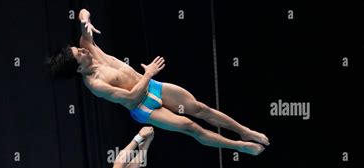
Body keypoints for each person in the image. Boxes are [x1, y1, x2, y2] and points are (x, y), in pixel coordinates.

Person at [47, 9, 270, 156]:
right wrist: (148, 74)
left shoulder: (90, 47)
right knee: (191, 127)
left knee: (201, 108)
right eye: (80, 53)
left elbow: (82, 11)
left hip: (153, 87)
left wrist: (85, 19)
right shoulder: (95, 85)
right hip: (144, 107)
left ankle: (244, 131)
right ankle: (239, 146)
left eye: (80, 48)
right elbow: (132, 97)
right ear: (78, 67)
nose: (84, 49)